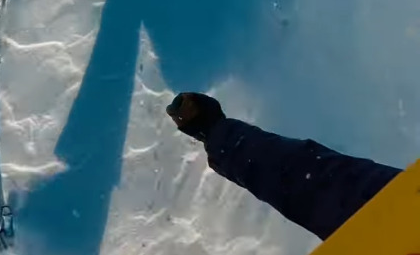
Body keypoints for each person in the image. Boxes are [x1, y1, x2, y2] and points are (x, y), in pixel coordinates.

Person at [166, 92, 401, 241]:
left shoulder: (224, 151)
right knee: (317, 175)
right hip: (362, 194)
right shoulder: (230, 144)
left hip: (341, 215)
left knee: (308, 180)